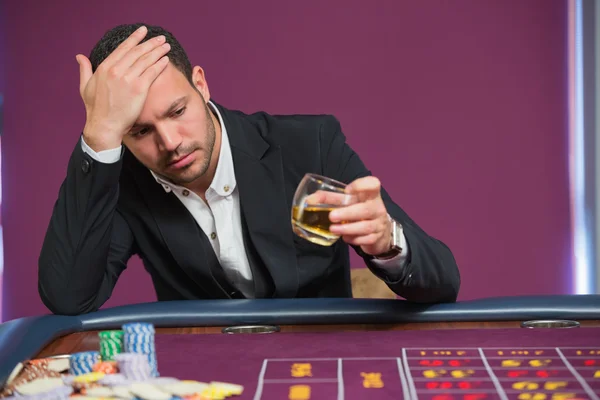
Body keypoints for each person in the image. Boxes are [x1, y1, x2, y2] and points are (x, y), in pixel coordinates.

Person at [38, 23, 460, 316]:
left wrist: (388, 243)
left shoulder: (310, 144)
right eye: (140, 130)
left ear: (200, 84)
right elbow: (69, 296)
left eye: (178, 110)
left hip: (317, 364)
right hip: (205, 376)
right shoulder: (122, 182)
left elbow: (443, 282)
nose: (169, 142)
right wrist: (98, 137)